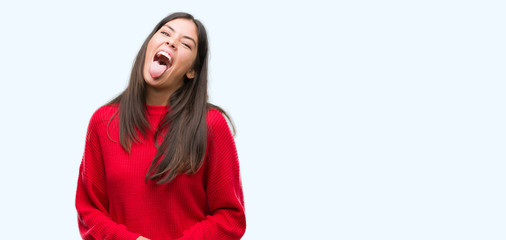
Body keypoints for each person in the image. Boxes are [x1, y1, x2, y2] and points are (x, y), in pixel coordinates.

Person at [75, 12, 246, 240]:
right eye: (165, 33)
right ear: (149, 46)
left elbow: (231, 217)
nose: (172, 42)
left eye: (186, 43)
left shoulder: (211, 124)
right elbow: (89, 211)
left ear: (192, 71)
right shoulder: (102, 122)